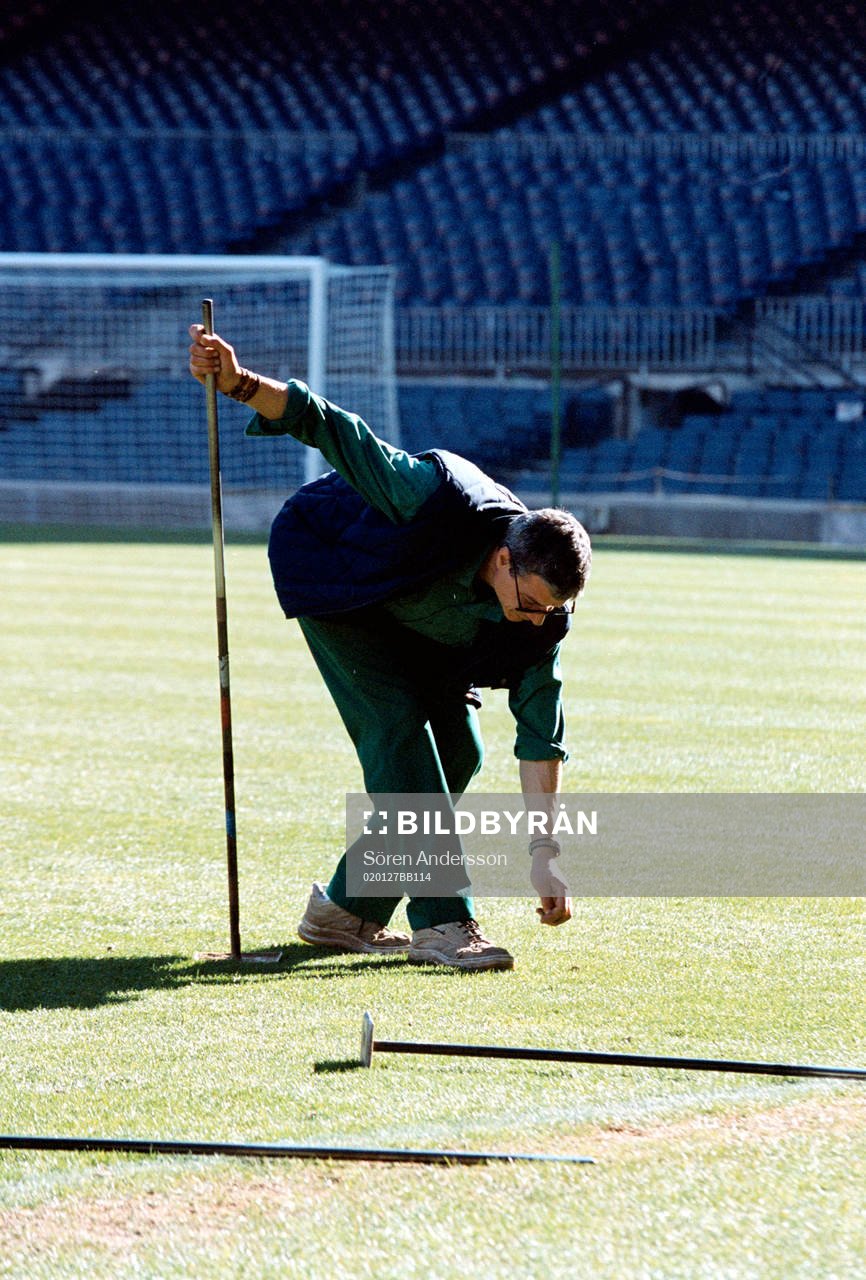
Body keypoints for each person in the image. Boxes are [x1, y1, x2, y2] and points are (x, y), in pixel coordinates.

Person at [188, 323, 591, 972]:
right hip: (336, 571)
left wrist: (547, 858)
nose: (540, 621)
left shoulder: (541, 622)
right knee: (399, 734)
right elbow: (335, 427)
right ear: (501, 558)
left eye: (556, 609)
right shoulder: (433, 495)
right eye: (533, 602)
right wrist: (237, 383)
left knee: (460, 751)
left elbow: (542, 737)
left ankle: (344, 914)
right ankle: (443, 925)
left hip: (416, 621)